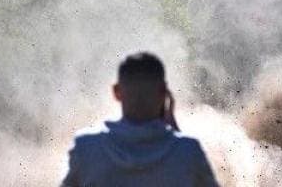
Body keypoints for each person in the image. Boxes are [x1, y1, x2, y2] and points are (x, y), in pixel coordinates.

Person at [61, 52, 219, 187]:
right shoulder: (188, 152)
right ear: (164, 92)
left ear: (117, 92)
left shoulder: (87, 148)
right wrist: (174, 131)